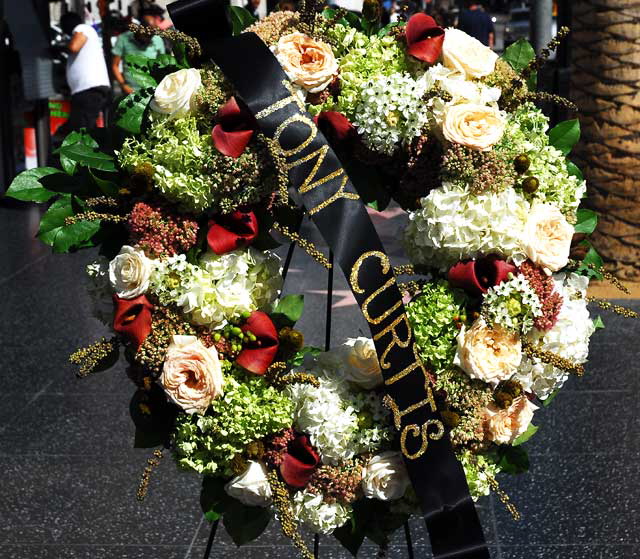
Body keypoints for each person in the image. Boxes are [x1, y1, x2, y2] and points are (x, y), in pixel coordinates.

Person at [56, 12, 111, 138]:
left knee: (82, 129)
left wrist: (58, 48)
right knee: (79, 126)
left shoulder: (82, 28)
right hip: (84, 91)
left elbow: (74, 47)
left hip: (89, 89)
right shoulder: (87, 35)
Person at [111, 8, 166, 94]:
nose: (147, 40)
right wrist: (123, 85)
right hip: (130, 91)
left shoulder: (157, 40)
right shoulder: (123, 38)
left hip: (152, 91)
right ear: (140, 29)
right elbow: (115, 66)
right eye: (145, 36)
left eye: (150, 38)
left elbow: (163, 65)